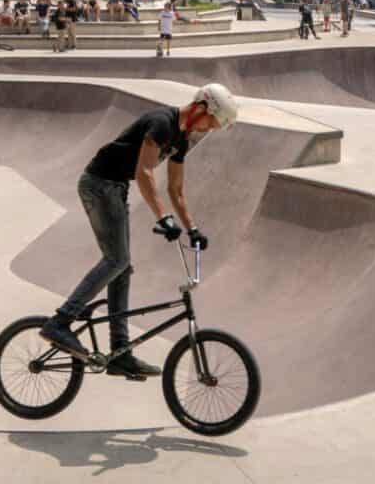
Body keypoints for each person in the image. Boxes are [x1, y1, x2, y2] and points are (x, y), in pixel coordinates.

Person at [39, 84, 239, 376]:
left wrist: (192, 228)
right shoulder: (161, 123)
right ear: (201, 108)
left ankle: (120, 352)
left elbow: (176, 189)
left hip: (115, 189)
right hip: (98, 185)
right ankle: (60, 321)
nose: (209, 130)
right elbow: (143, 173)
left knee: (123, 267)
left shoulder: (181, 140)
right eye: (212, 123)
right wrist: (163, 218)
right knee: (116, 260)